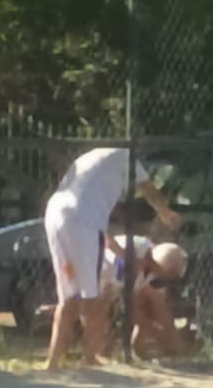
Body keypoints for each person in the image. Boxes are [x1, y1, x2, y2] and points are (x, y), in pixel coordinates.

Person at [44, 147, 180, 370]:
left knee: (68, 295)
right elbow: (149, 191)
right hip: (83, 222)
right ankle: (89, 356)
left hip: (55, 215)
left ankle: (53, 361)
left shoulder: (95, 158)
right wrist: (167, 213)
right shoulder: (128, 159)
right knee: (93, 297)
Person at [104, 234, 187, 359]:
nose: (165, 279)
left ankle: (169, 344)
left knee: (154, 299)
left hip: (122, 283)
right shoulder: (132, 266)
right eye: (167, 275)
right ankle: (102, 353)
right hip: (103, 282)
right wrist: (157, 334)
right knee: (103, 312)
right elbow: (130, 310)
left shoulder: (150, 253)